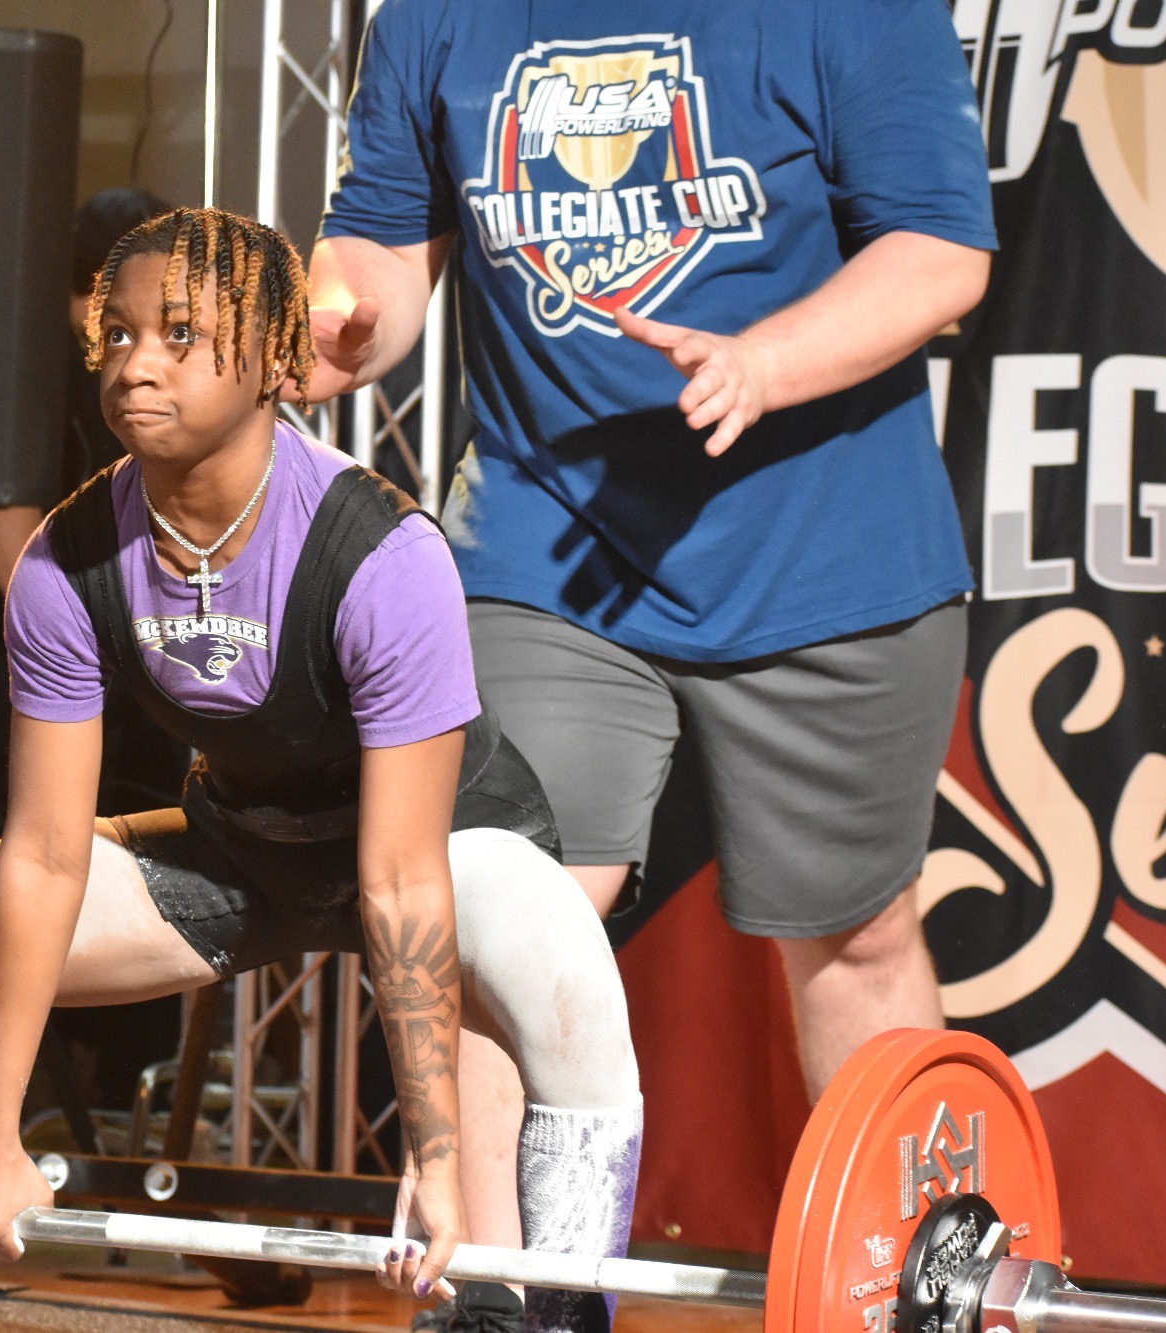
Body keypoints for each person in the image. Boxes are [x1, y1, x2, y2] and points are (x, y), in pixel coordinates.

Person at [0, 209, 641, 1333]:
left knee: (575, 995)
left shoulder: (383, 556)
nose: (137, 363)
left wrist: (434, 1159)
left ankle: (563, 1318)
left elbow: (396, 880)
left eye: (182, 334)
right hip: (246, 851)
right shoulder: (63, 563)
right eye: (118, 335)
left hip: (448, 847)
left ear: (278, 366)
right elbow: (47, 857)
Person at [308, 2, 995, 1324]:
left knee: (853, 942)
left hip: (829, 557)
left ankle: (903, 1293)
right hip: (546, 546)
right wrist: (340, 318)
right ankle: (504, 1292)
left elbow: (939, 249)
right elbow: (383, 242)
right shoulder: (434, 21)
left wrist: (767, 359)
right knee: (505, 907)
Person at [0, 188, 186, 838]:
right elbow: (2, 520)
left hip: (114, 655)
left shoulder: (121, 362)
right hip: (20, 659)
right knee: (34, 851)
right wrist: (84, 641)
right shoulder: (33, 358)